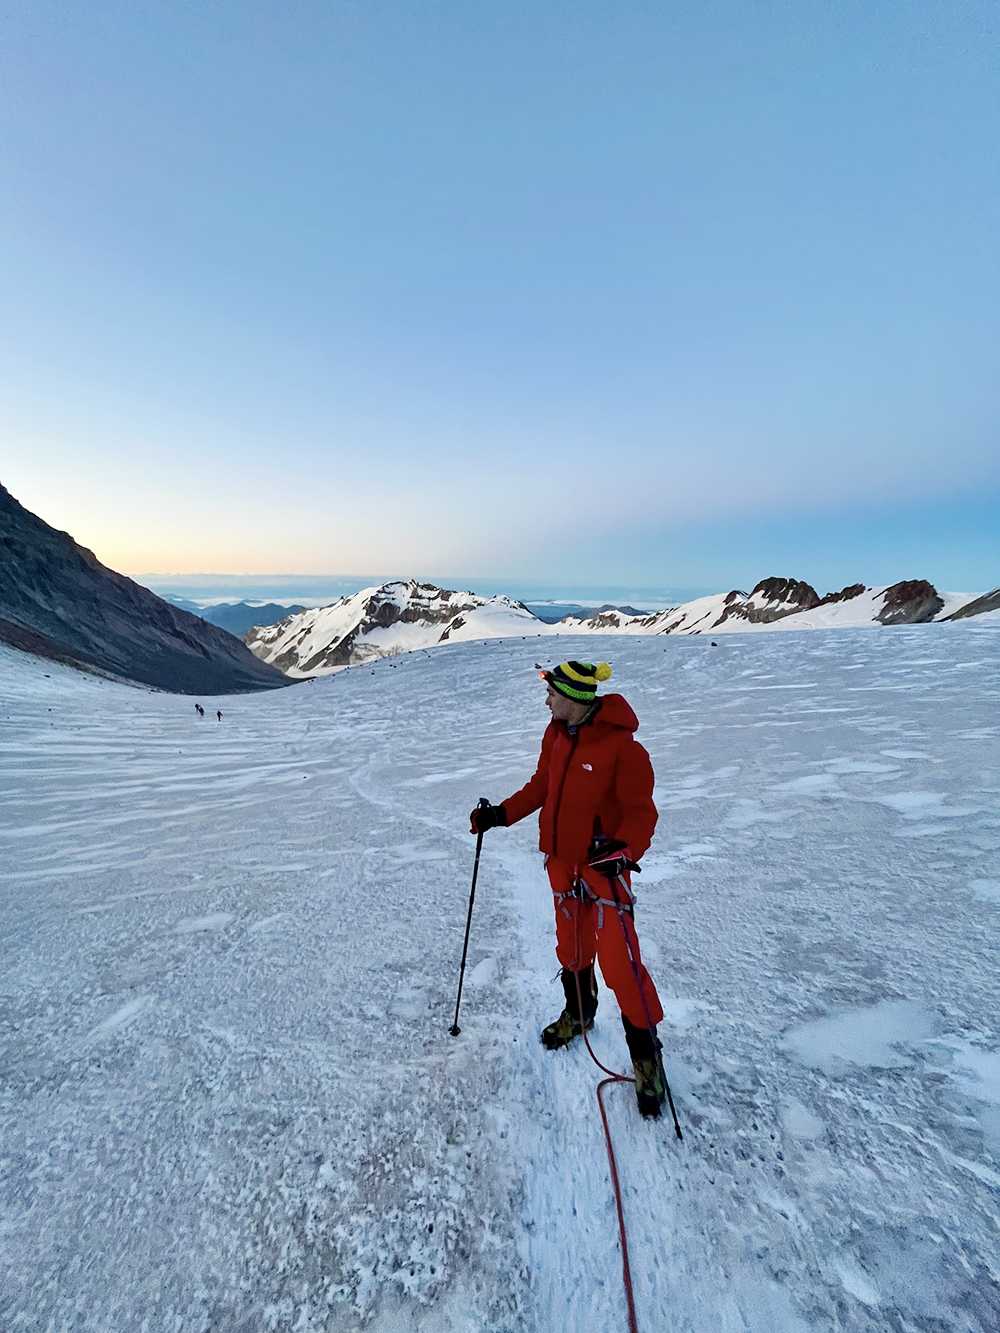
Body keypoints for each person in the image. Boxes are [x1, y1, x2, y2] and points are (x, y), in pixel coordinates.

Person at [470, 660, 667, 1118]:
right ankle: (579, 1015)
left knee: (621, 966)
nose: (546, 700)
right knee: (571, 948)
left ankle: (647, 1062)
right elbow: (543, 785)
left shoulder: (624, 749)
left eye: (552, 693)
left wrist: (625, 850)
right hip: (562, 864)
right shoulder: (555, 735)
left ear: (576, 700)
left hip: (603, 871)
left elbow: (642, 813)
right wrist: (499, 815)